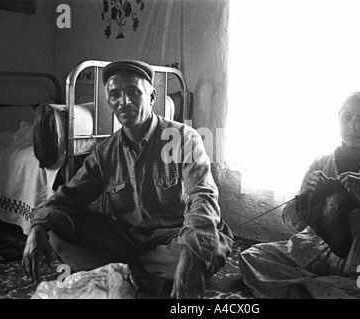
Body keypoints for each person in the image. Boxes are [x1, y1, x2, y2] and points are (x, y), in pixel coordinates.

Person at [22, 60, 233, 299]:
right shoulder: (105, 151)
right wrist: (38, 226)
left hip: (174, 234)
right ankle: (148, 275)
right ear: (109, 102)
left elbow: (202, 195)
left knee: (208, 245)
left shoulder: (183, 138)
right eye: (114, 94)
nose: (124, 102)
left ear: (151, 96)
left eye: (134, 91)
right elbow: (69, 196)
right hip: (127, 238)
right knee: (58, 231)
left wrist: (189, 252)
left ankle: (125, 273)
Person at [239, 92, 360, 299]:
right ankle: (337, 290)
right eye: (347, 118)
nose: (354, 126)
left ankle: (311, 289)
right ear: (338, 120)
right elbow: (293, 222)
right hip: (315, 251)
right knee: (251, 257)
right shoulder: (320, 163)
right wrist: (307, 195)